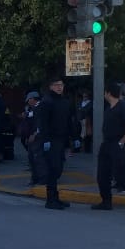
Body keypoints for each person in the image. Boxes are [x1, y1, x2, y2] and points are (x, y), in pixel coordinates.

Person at [91, 82, 125, 211]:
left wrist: (122, 142)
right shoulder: (109, 108)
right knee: (102, 174)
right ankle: (106, 201)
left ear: (108, 93)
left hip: (118, 144)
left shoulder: (123, 107)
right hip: (107, 143)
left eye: (105, 92)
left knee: (121, 175)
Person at [36, 75, 74, 210]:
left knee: (58, 169)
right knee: (54, 168)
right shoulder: (47, 101)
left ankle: (55, 197)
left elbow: (69, 121)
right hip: (51, 140)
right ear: (51, 87)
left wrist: (72, 140)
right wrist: (45, 140)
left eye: (61, 85)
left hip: (61, 140)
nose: (59, 87)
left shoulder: (65, 101)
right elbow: (42, 123)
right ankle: (51, 199)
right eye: (56, 85)